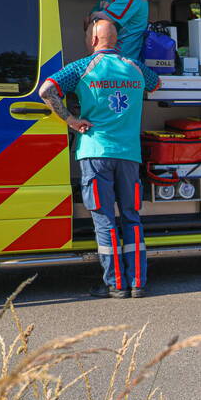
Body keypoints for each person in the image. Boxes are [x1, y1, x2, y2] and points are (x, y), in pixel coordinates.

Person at [39, 20, 160, 298]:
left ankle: (116, 284)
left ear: (94, 40)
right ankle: (138, 282)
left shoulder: (82, 68)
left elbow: (46, 90)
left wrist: (71, 120)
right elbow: (156, 84)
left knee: (104, 220)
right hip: (129, 154)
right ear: (115, 40)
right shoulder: (135, 68)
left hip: (95, 152)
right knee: (131, 217)